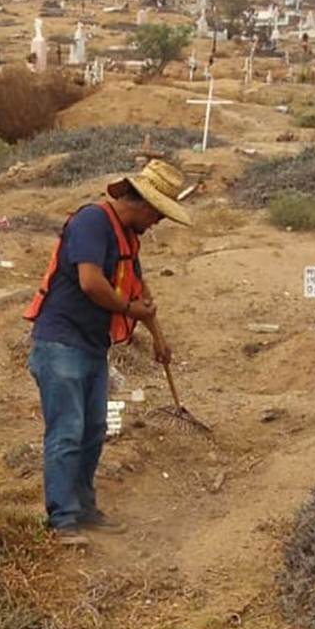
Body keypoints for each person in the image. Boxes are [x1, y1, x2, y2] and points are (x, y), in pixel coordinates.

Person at [23, 159, 192, 545]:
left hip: (92, 345)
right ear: (142, 203)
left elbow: (140, 289)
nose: (157, 223)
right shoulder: (92, 222)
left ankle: (85, 509)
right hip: (60, 342)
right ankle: (62, 520)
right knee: (67, 431)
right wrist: (130, 310)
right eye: (157, 214)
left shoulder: (128, 236)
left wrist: (158, 337)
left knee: (93, 431)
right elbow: (91, 282)